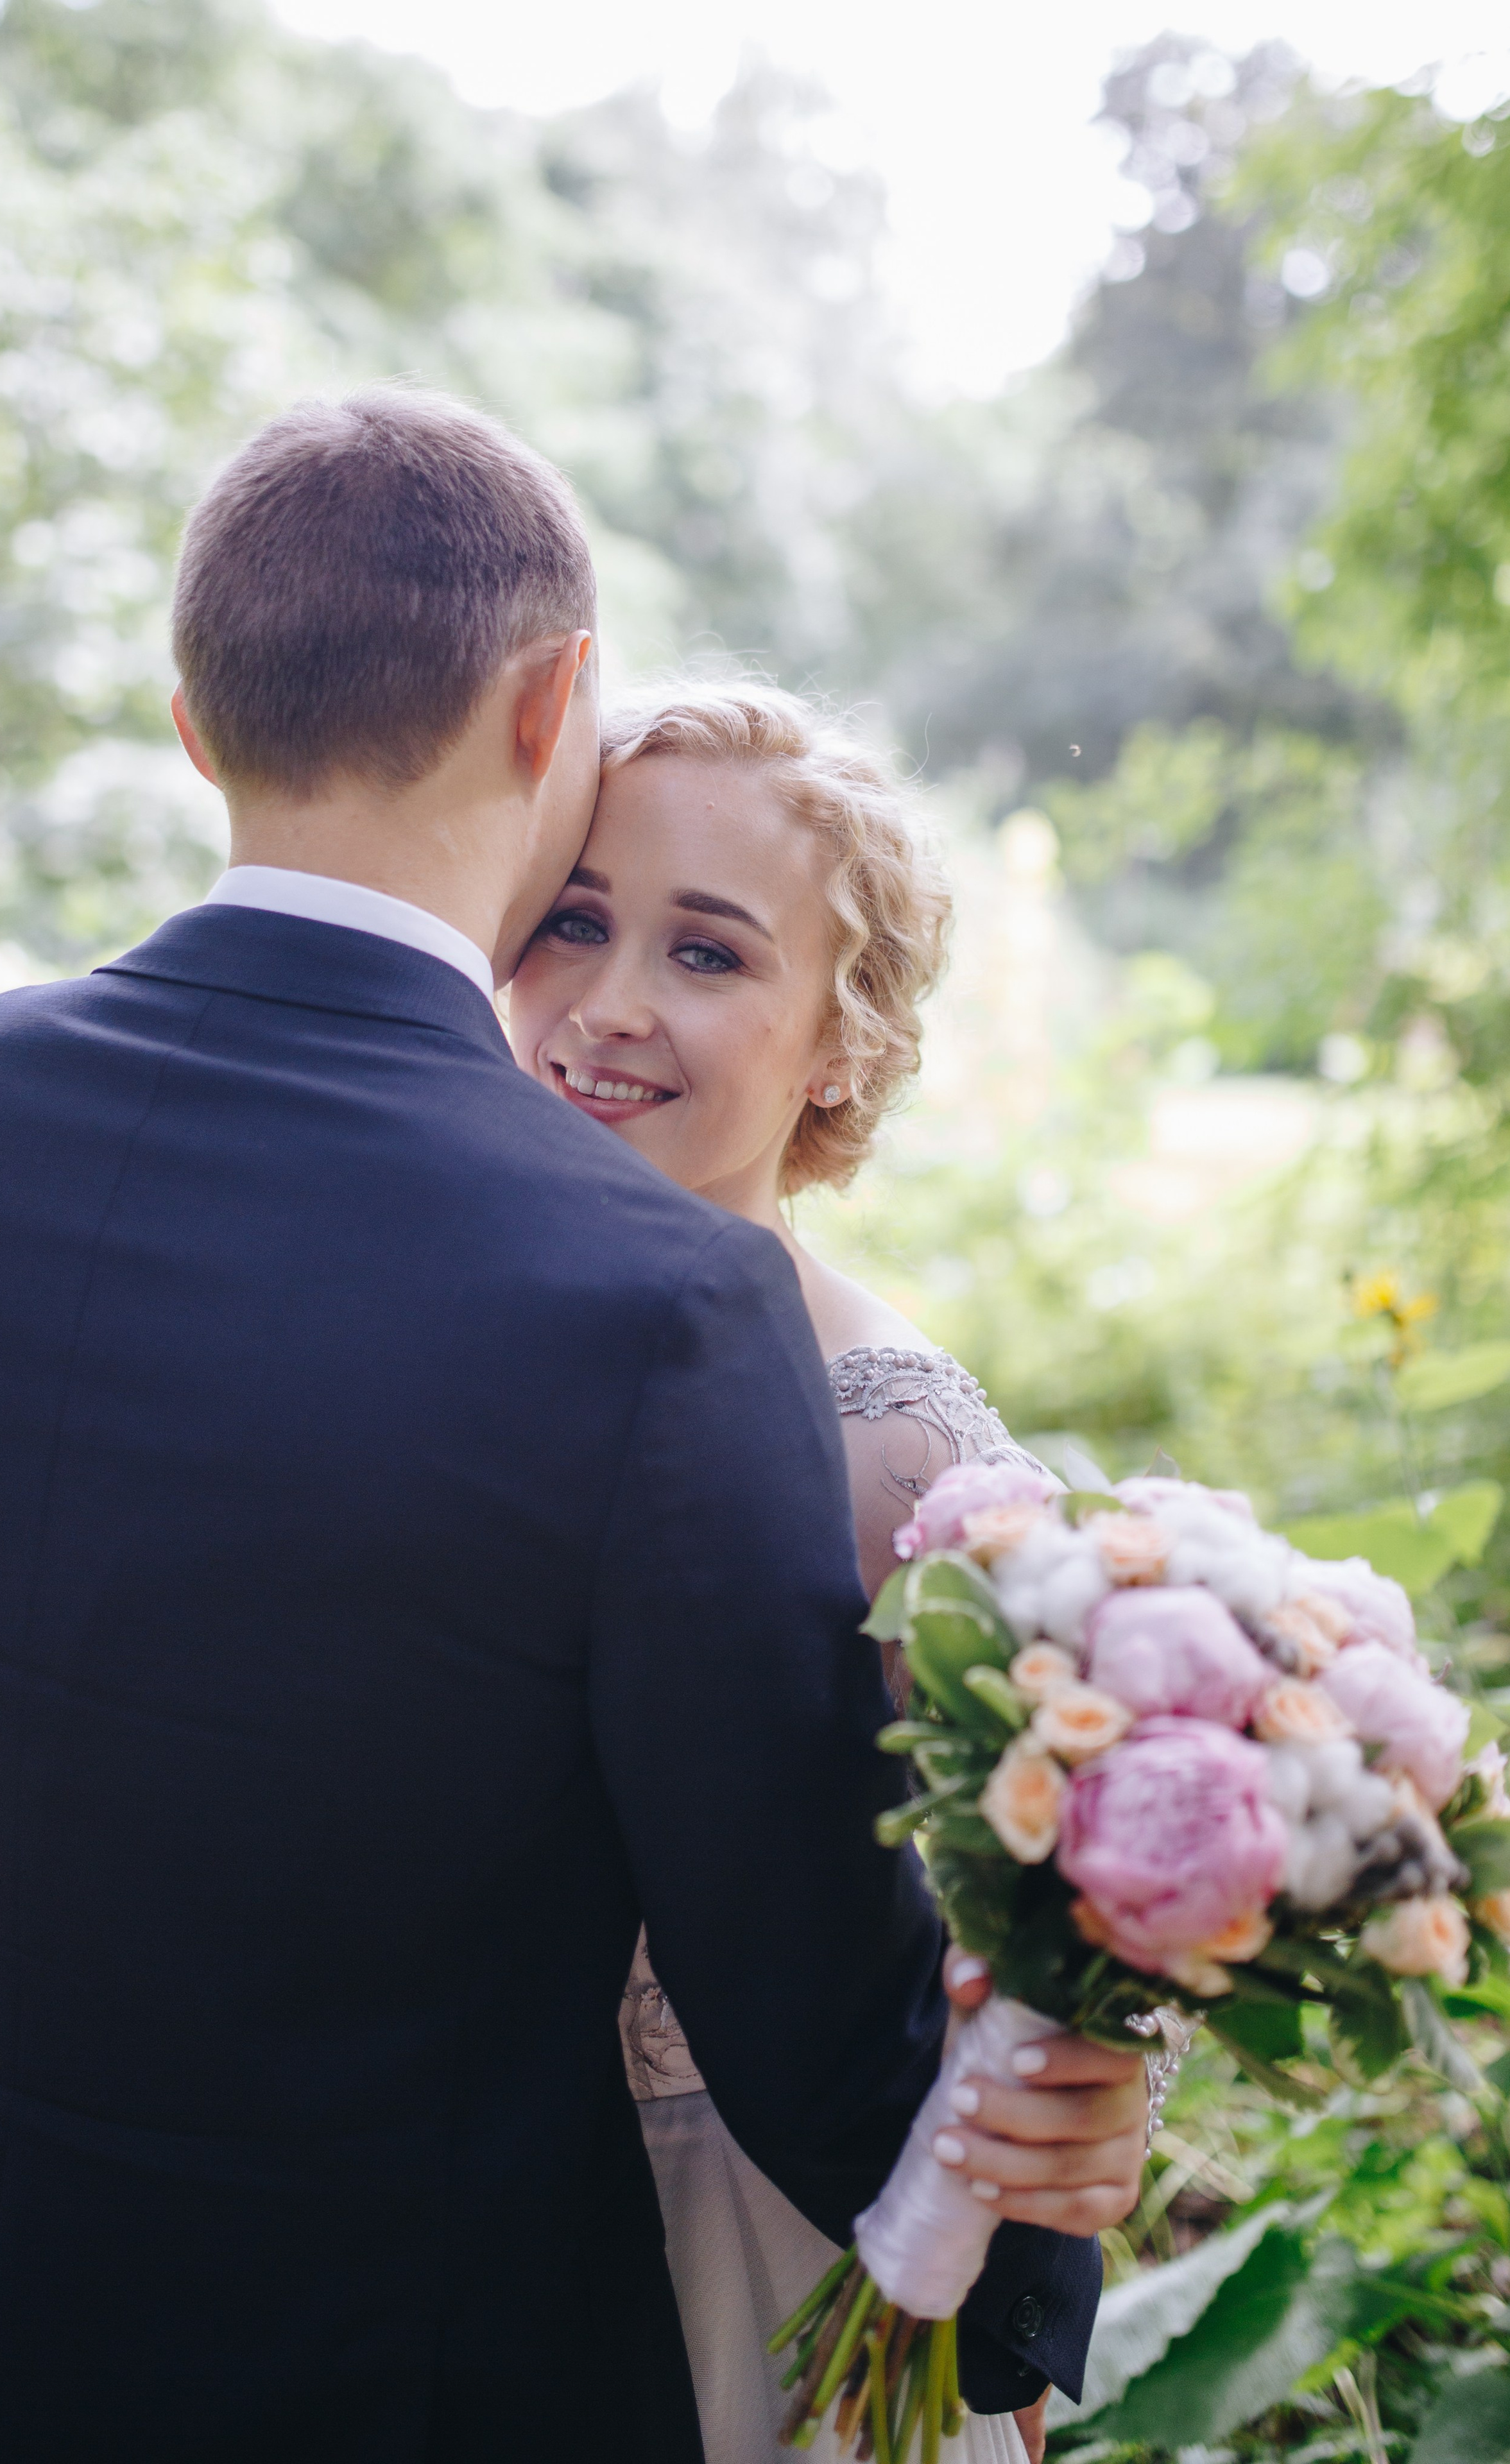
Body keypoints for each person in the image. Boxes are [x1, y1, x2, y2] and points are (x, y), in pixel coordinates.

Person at [0, 390, 1132, 2464]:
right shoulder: (656, 1308)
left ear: (196, 724)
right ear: (559, 709)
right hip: (417, 2377)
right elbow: (803, 2007)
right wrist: (1052, 2192)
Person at [506, 685, 1148, 2462]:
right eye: (574, 920)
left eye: (707, 956)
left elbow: (1035, 1945)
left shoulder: (892, 1452)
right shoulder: (458, 1338)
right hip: (458, 2225)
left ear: (842, 1043)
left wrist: (1076, 2118)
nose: (612, 1003)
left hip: (760, 2248)